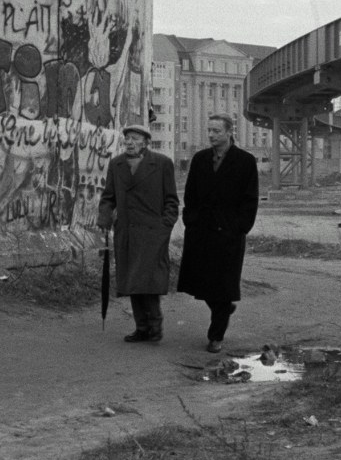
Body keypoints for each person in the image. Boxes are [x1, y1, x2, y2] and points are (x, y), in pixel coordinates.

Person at [176, 114, 259, 353]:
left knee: (224, 284)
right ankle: (223, 308)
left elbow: (250, 199)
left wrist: (239, 227)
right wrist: (190, 221)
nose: (211, 135)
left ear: (229, 132)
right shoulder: (200, 159)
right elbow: (190, 194)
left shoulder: (245, 161)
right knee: (201, 283)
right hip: (201, 232)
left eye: (216, 131)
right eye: (209, 130)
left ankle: (216, 336)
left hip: (228, 234)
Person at [97, 123, 179, 343]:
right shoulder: (117, 164)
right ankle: (141, 328)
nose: (129, 143)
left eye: (134, 139)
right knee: (133, 279)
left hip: (153, 233)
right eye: (127, 139)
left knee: (148, 281)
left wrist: (165, 226)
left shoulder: (162, 164)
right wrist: (104, 217)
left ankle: (155, 325)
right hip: (127, 231)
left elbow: (172, 201)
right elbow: (108, 197)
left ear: (145, 142)